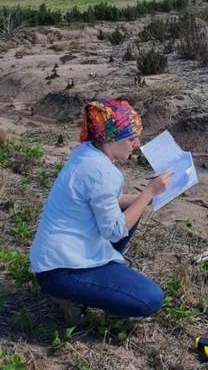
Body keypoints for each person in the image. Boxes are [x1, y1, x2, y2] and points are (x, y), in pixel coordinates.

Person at [30, 99, 173, 323]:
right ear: (111, 139)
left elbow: (108, 201)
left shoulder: (86, 153)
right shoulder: (102, 172)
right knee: (151, 299)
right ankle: (72, 294)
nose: (136, 144)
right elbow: (115, 231)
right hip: (62, 271)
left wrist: (144, 199)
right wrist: (148, 194)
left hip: (51, 262)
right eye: (131, 138)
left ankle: (101, 279)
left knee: (132, 207)